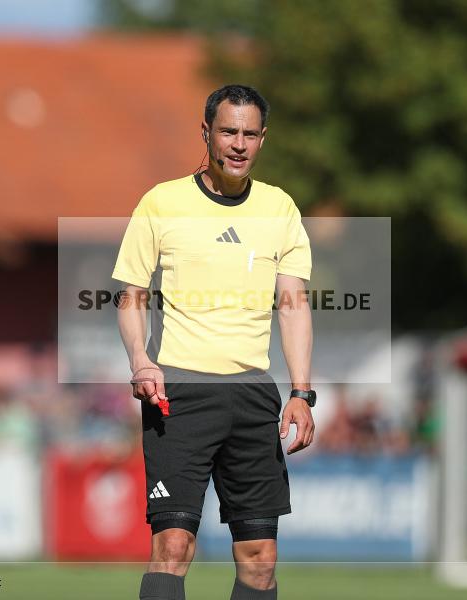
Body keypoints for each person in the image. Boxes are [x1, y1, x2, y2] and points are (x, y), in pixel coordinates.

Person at [113, 84, 315, 600]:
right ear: (206, 133)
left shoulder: (280, 207)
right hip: (179, 395)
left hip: (252, 394)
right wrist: (140, 360)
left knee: (260, 560)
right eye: (228, 132)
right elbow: (131, 294)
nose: (239, 144)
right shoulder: (162, 202)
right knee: (173, 546)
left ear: (263, 138)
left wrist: (301, 391)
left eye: (250, 134)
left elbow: (293, 304)